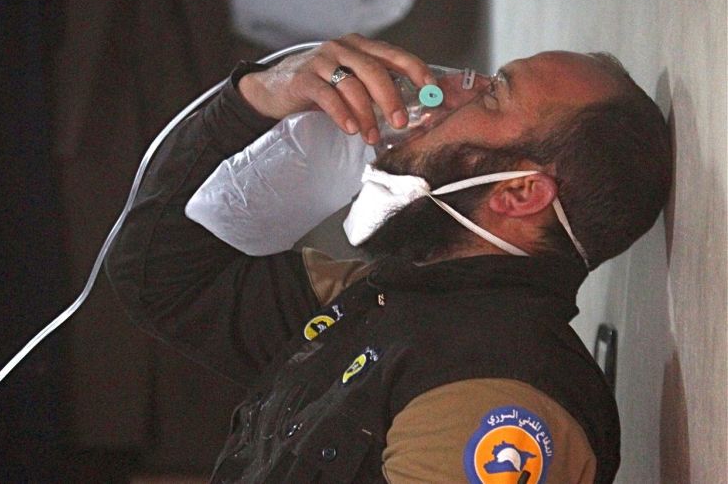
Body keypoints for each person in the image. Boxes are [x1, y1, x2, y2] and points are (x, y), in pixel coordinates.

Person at [105, 34, 671, 483]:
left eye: (493, 94)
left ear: (519, 194)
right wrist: (258, 97)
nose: (446, 91)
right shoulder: (386, 298)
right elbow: (159, 275)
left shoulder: (498, 391)